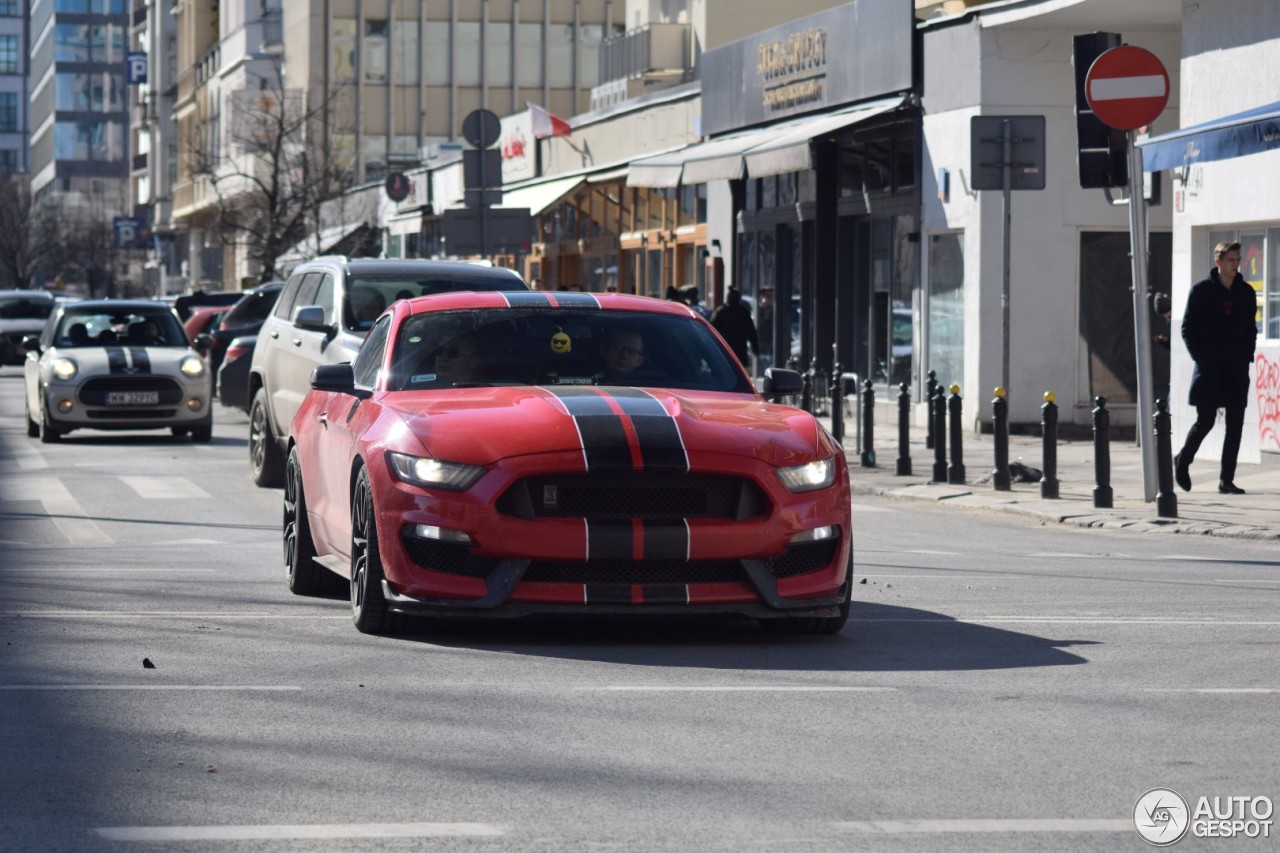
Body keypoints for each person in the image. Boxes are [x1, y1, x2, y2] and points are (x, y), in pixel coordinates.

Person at [1174, 241, 1257, 495]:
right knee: (1206, 421)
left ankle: (1226, 480)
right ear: (1218, 261)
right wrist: (1202, 358)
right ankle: (1182, 460)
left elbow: (1250, 329)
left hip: (1235, 369)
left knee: (1235, 425)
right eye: (1231, 259)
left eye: (1238, 259)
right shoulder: (1201, 292)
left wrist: (1247, 355)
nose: (1236, 264)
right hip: (1209, 369)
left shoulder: (1246, 292)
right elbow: (1187, 329)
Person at [711, 287, 759, 367]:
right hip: (739, 350)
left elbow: (712, 329)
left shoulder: (721, 311)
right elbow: (751, 332)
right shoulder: (743, 312)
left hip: (725, 348)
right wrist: (755, 348)